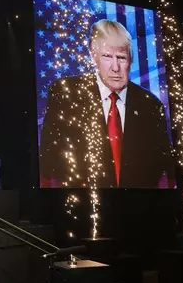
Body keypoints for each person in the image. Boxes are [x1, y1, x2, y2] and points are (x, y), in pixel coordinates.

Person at [40, 19, 174, 188]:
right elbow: (49, 160)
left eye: (121, 57)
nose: (115, 67)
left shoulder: (151, 105)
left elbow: (162, 170)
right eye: (107, 56)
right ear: (93, 56)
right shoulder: (65, 93)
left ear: (131, 60)